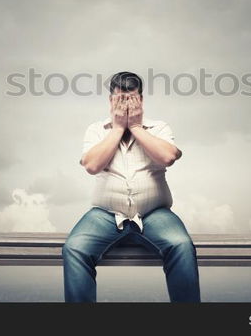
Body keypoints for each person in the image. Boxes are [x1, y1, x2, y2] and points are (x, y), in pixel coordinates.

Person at [62, 71, 201, 302]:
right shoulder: (96, 130)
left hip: (154, 214)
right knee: (74, 248)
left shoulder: (159, 128)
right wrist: (117, 129)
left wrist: (136, 127)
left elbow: (167, 157)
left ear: (142, 100)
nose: (125, 104)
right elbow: (92, 165)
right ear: (110, 101)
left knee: (181, 245)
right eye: (119, 99)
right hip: (105, 215)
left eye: (131, 98)